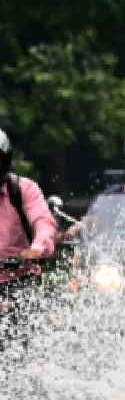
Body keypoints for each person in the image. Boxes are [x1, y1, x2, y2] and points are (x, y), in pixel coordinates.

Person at [0, 127, 58, 304]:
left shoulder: (23, 190)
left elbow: (43, 223)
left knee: (34, 315)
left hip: (20, 282)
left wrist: (37, 248)